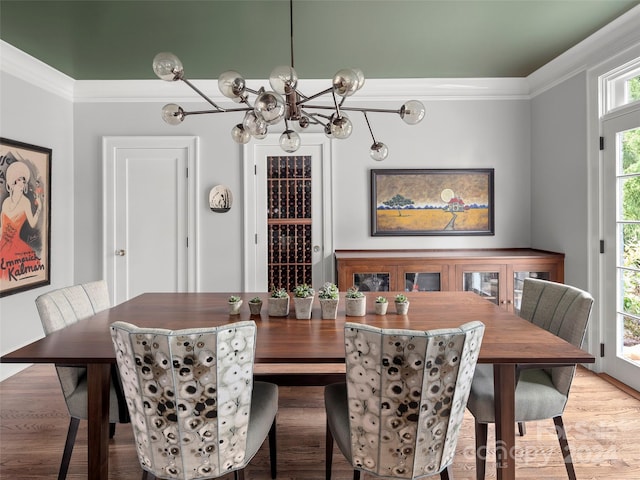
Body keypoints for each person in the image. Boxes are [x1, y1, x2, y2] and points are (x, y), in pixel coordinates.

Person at [0, 161, 44, 281]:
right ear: (12, 182)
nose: (22, 183)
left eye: (23, 180)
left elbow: (33, 223)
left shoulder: (25, 202)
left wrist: (39, 207)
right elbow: (1, 227)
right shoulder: (5, 203)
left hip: (16, 246)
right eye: (19, 179)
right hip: (2, 245)